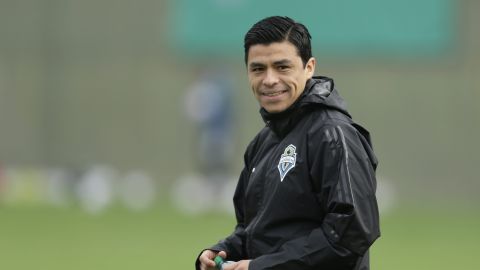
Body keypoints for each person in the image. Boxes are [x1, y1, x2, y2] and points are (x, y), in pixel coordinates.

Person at [196, 16, 380, 270]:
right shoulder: (262, 143)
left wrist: (262, 266)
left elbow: (350, 236)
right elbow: (255, 230)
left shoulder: (333, 136)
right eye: (258, 69)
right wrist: (222, 251)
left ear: (309, 67)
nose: (269, 80)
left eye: (282, 67)